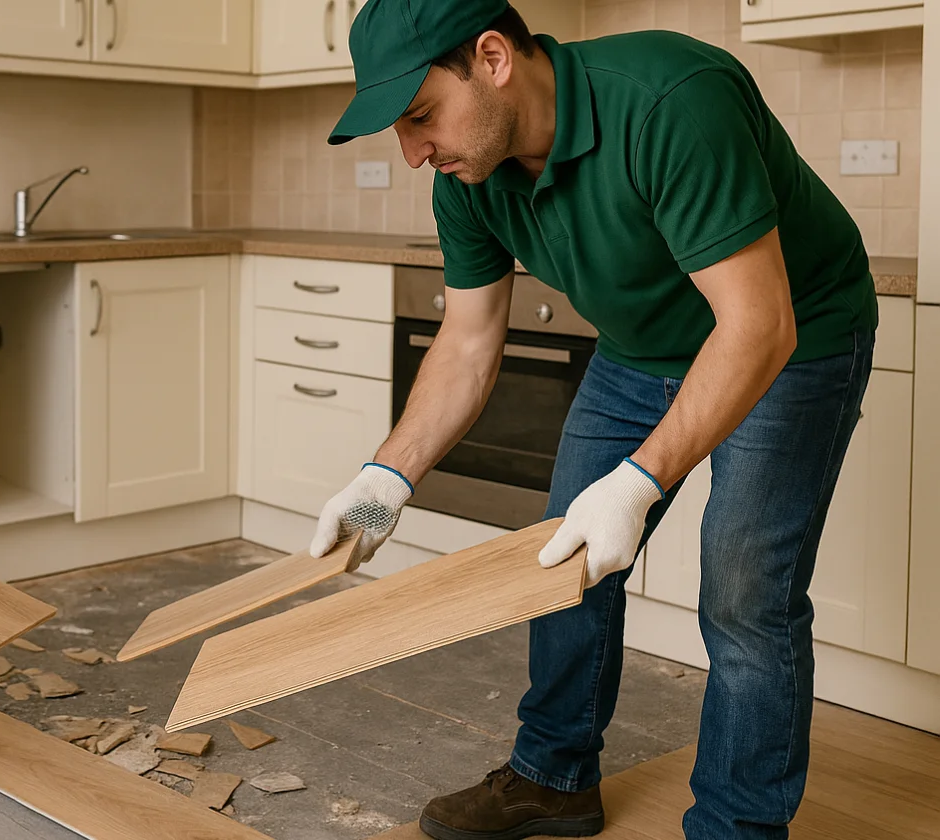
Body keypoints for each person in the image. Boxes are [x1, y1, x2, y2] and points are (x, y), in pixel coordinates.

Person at [311, 1, 876, 838]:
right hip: (640, 350)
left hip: (790, 336)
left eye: (421, 116)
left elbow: (757, 324)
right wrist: (383, 480)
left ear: (494, 57)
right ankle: (555, 778)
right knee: (557, 559)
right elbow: (467, 346)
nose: (413, 151)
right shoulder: (470, 174)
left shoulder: (669, 100)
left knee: (743, 595)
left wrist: (641, 481)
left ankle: (739, 827)